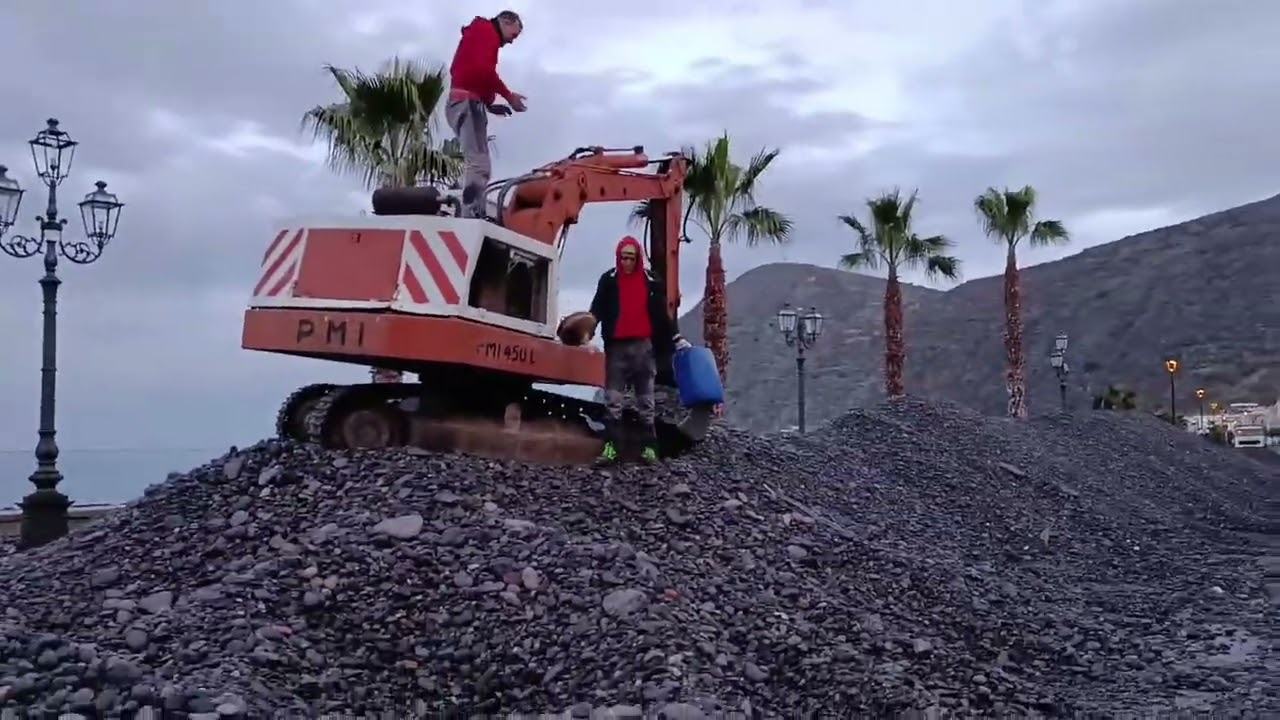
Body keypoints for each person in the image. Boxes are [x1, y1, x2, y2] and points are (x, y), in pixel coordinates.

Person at [589, 236, 691, 464]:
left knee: (646, 401)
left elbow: (663, 314)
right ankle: (611, 450)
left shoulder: (652, 281)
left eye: (631, 257)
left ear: (638, 259)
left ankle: (650, 450)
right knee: (613, 400)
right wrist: (587, 331)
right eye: (623, 257)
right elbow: (597, 308)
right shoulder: (608, 280)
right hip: (616, 348)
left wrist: (676, 337)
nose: (626, 262)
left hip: (643, 347)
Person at [446, 10, 527, 219]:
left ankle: (470, 210)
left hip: (465, 100)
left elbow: (473, 73)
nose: (511, 42)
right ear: (506, 22)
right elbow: (484, 71)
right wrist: (508, 96)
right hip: (466, 102)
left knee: (477, 161)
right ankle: (469, 215)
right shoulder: (486, 32)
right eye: (514, 35)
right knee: (479, 164)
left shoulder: (478, 34)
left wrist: (491, 104)